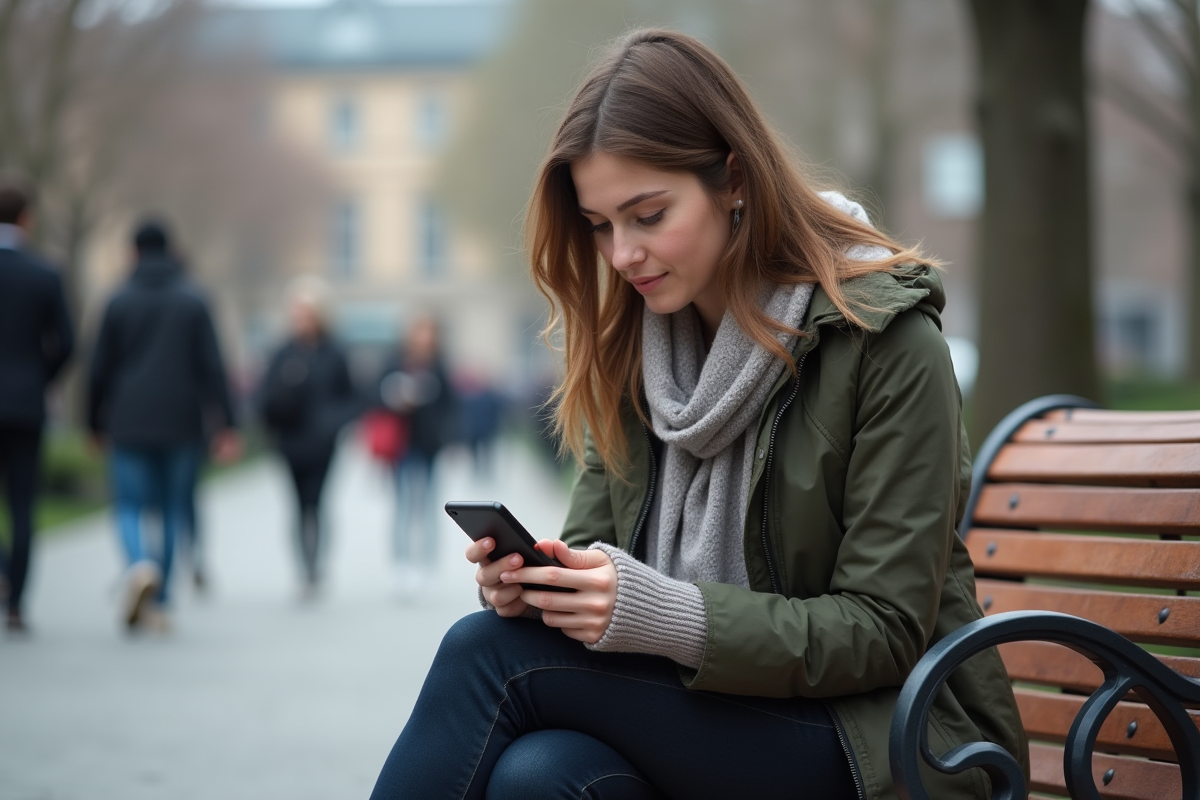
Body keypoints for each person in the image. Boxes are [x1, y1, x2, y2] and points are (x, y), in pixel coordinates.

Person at [369, 29, 1027, 800]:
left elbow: (882, 630)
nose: (622, 254)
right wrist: (535, 587)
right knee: (538, 775)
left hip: (889, 740)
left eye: (648, 215)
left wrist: (670, 616)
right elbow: (593, 551)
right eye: (601, 224)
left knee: (488, 658)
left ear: (735, 179)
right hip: (717, 716)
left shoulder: (884, 341)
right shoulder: (637, 354)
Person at [87, 219, 240, 631]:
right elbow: (214, 366)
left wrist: (92, 422)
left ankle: (140, 565)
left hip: (128, 419)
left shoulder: (117, 300)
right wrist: (228, 424)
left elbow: (98, 368)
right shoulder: (194, 299)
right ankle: (164, 596)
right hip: (181, 420)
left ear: (133, 251)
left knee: (130, 505)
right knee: (173, 508)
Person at [0, 177, 74, 634]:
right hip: (26, 404)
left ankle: (3, 573)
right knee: (23, 503)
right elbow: (66, 343)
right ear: (27, 218)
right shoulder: (45, 273)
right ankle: (18, 600)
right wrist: (39, 379)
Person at [260, 278, 358, 597]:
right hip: (290, 441)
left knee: (317, 504)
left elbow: (352, 396)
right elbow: (264, 398)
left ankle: (317, 565)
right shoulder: (283, 352)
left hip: (322, 442)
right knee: (298, 505)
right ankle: (303, 567)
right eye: (297, 311)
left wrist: (333, 422)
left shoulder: (334, 352)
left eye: (307, 311)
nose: (301, 318)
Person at [377, 316, 456, 597]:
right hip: (401, 445)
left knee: (429, 507)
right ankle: (400, 566)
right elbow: (374, 394)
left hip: (429, 445)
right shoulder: (394, 361)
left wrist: (450, 438)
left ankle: (428, 566)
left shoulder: (439, 364)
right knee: (402, 506)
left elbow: (451, 404)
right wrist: (396, 396)